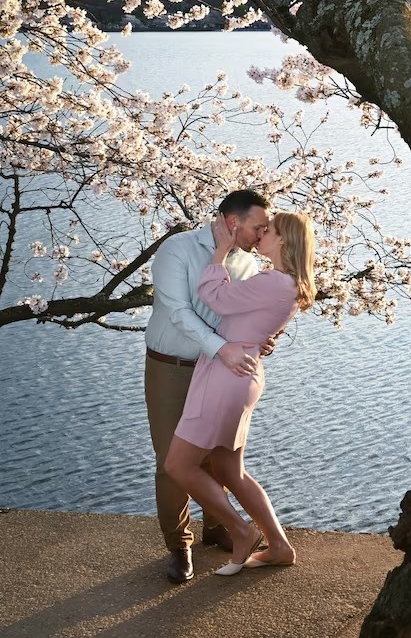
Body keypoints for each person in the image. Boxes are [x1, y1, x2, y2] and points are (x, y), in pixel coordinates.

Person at [164, 210, 316, 576]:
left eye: (269, 230)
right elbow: (257, 324)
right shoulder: (289, 283)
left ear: (282, 240)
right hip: (243, 373)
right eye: (261, 228)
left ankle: (240, 530)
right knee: (230, 469)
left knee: (178, 465)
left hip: (226, 376)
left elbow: (213, 296)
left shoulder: (274, 282)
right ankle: (279, 545)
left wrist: (220, 252)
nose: (262, 234)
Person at [145, 188, 270, 583]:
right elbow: (179, 312)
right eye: (258, 227)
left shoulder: (248, 265)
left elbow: (241, 319)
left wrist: (259, 337)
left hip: (220, 369)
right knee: (172, 463)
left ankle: (216, 528)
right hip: (172, 368)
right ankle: (179, 546)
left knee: (218, 455)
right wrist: (224, 348)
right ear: (233, 223)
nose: (263, 235)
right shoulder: (177, 250)